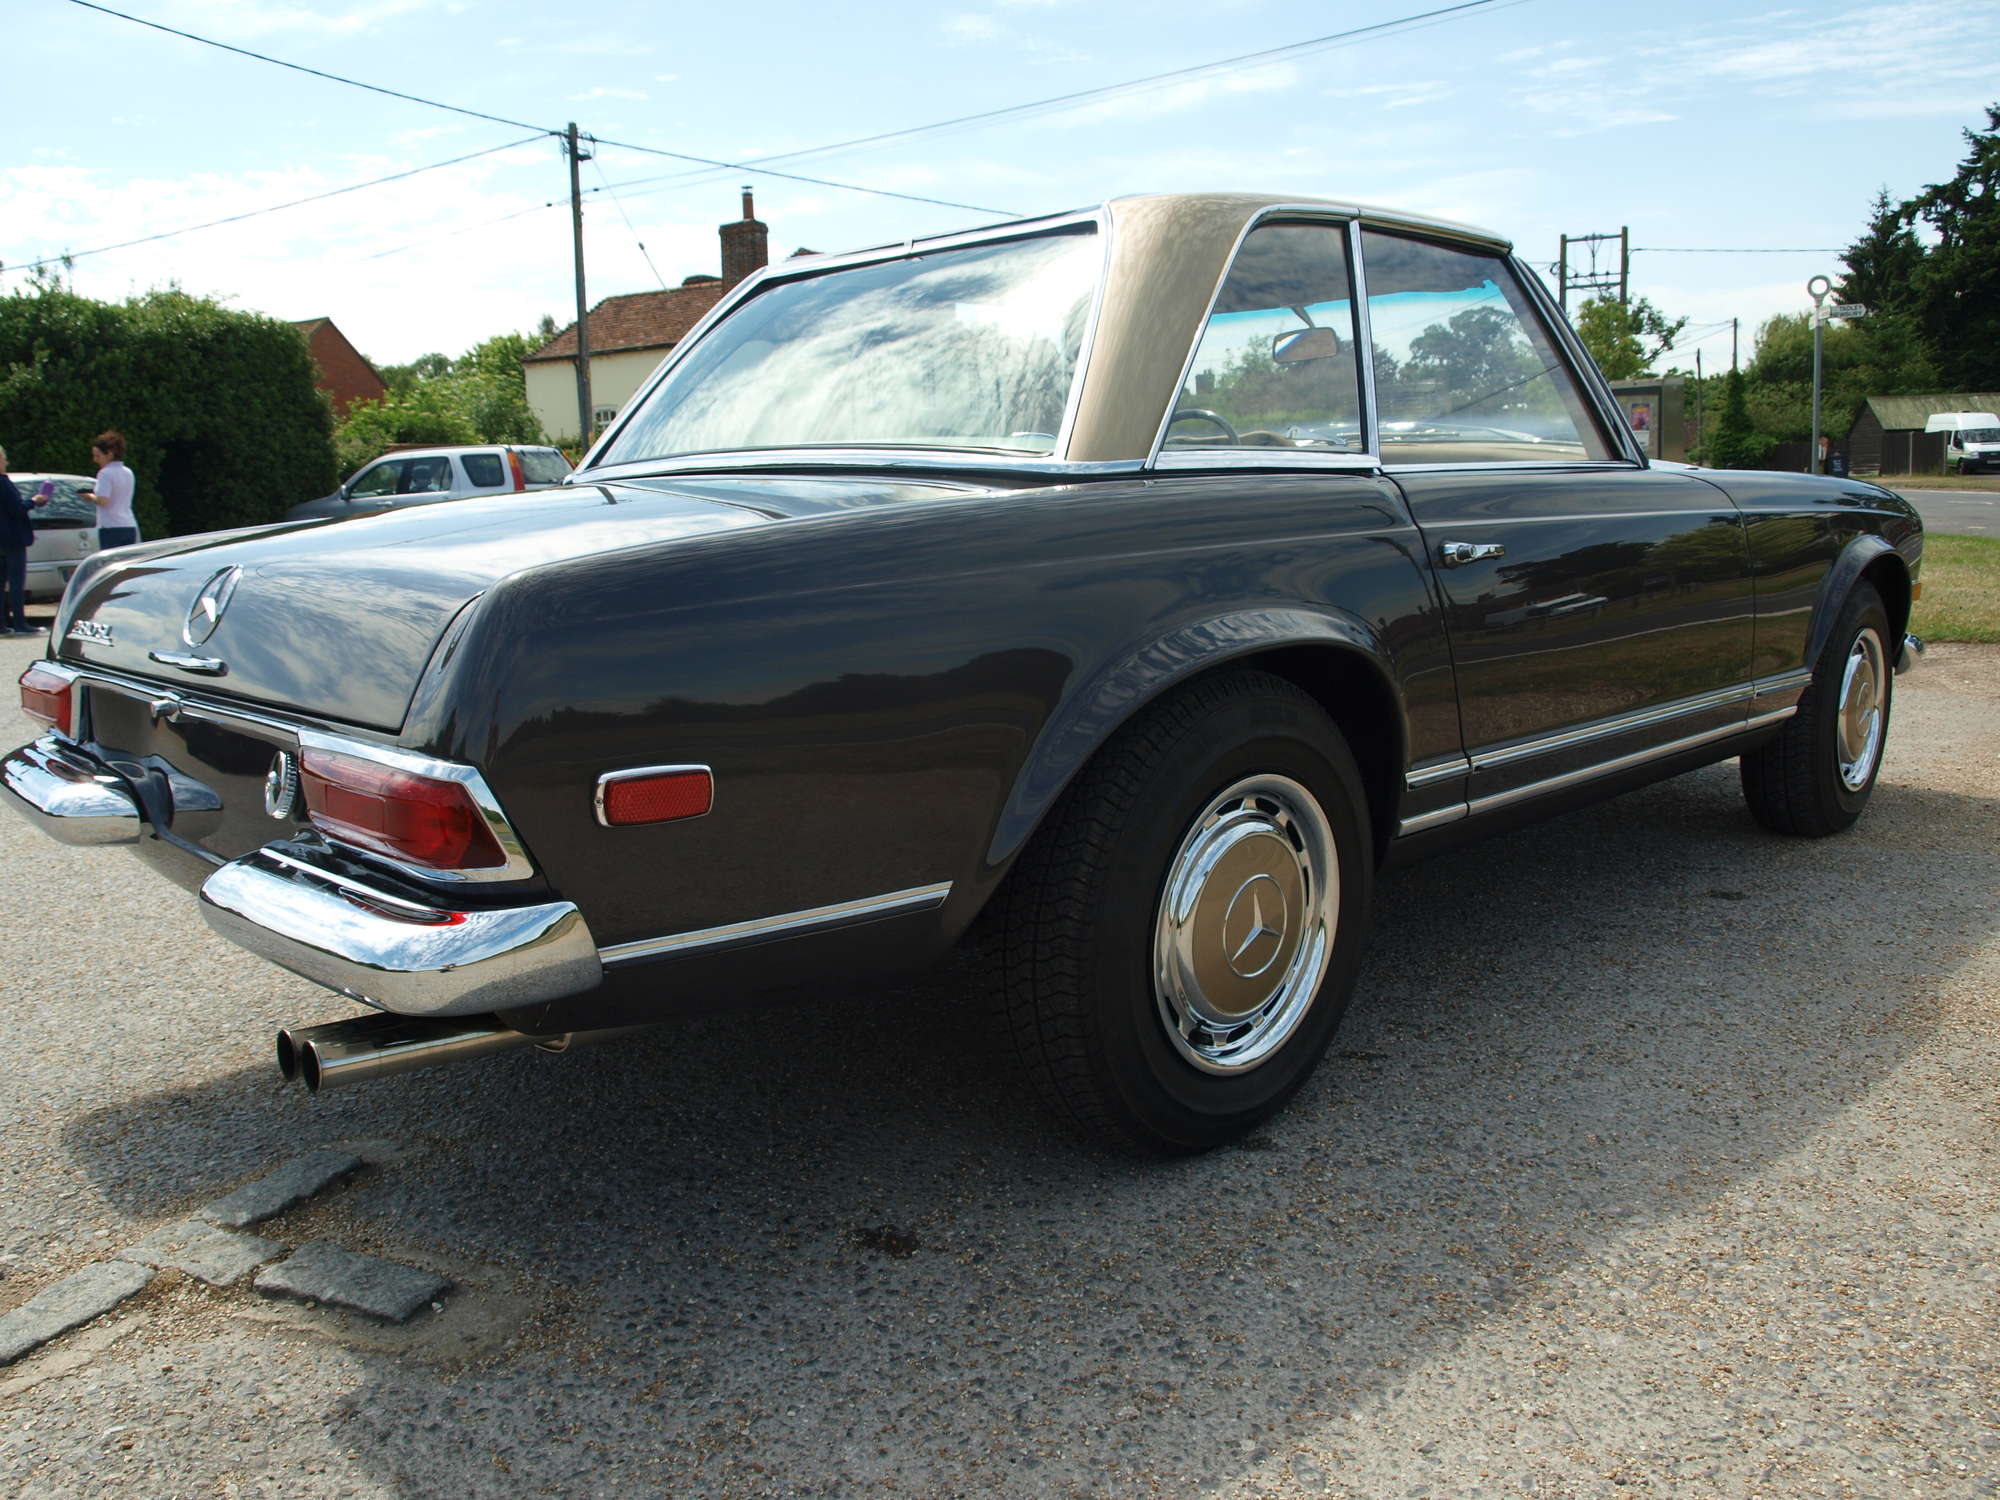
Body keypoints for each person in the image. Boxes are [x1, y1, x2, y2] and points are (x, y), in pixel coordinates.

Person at [0, 443, 49, 635]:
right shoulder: (3, 482)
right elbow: (16, 509)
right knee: (16, 582)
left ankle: (2, 624)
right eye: (3, 458)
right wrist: (34, 501)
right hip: (13, 538)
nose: (6, 462)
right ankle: (20, 623)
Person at [82, 430, 140, 549]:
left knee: (110, 565)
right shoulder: (128, 472)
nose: (95, 460)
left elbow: (103, 501)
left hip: (110, 527)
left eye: (98, 456)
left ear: (109, 454)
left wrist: (89, 497)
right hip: (129, 525)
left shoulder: (105, 473)